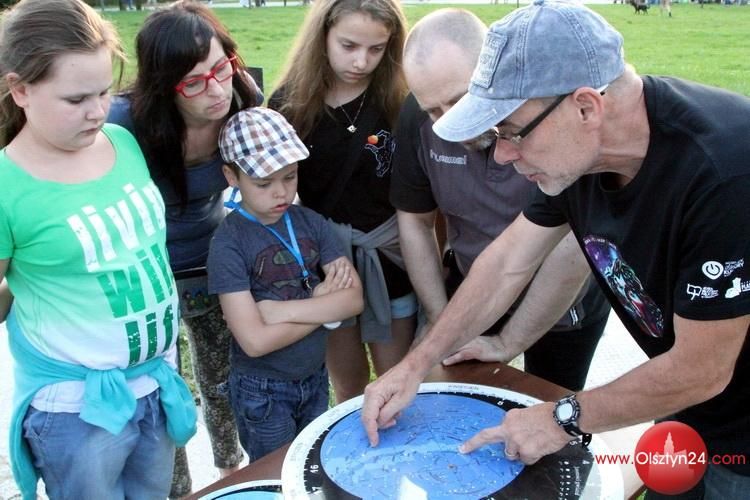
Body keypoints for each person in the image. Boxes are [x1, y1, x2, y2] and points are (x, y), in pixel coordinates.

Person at [363, 1, 750, 498]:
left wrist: (561, 418)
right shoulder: (582, 155)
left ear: (586, 106)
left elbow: (702, 370)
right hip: (686, 404)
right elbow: (506, 262)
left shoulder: (725, 173)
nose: (501, 152)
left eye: (511, 131)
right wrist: (418, 362)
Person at [0, 0, 197, 498]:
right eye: (76, 99)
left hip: (153, 383)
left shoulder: (120, 142)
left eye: (105, 90)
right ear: (19, 88)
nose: (97, 110)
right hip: (76, 411)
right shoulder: (6, 186)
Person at [391, 8, 610, 392]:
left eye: (459, 101)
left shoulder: (552, 114)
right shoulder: (419, 118)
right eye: (432, 110)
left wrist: (511, 342)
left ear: (491, 71)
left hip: (562, 298)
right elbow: (415, 222)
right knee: (451, 401)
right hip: (472, 285)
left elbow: (575, 245)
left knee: (549, 409)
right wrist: (444, 322)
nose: (448, 124)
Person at [106, 1, 262, 495]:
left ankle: (228, 472)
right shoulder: (123, 125)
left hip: (213, 263)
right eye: (194, 82)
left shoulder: (242, 100)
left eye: (221, 68)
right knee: (160, 391)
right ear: (163, 85)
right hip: (146, 279)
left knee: (220, 378)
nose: (216, 89)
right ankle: (178, 490)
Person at [269, 0, 415, 404]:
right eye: (348, 45)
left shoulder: (402, 100)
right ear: (323, 36)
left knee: (398, 383)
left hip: (391, 261)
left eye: (376, 49)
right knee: (348, 389)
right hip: (327, 265)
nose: (362, 61)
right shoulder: (290, 104)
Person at [208, 107, 364, 462]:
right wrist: (325, 309)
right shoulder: (228, 243)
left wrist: (279, 311)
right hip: (262, 390)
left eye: (290, 177)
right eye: (263, 183)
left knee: (310, 464)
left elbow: (353, 299)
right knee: (273, 474)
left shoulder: (310, 221)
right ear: (231, 176)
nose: (280, 193)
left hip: (313, 376)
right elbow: (255, 341)